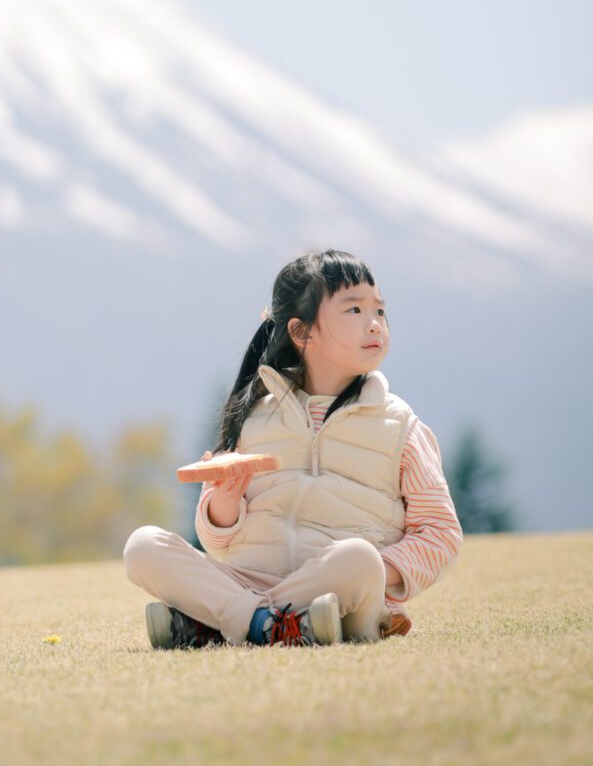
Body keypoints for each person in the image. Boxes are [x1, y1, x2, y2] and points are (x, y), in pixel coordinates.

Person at [124, 249, 462, 648]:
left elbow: (439, 533)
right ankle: (275, 625)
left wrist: (377, 570)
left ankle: (222, 622)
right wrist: (223, 505)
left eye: (380, 311)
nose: (374, 325)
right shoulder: (253, 418)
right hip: (248, 579)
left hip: (340, 593)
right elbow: (216, 541)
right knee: (143, 546)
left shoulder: (400, 426)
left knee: (357, 557)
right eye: (354, 310)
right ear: (302, 333)